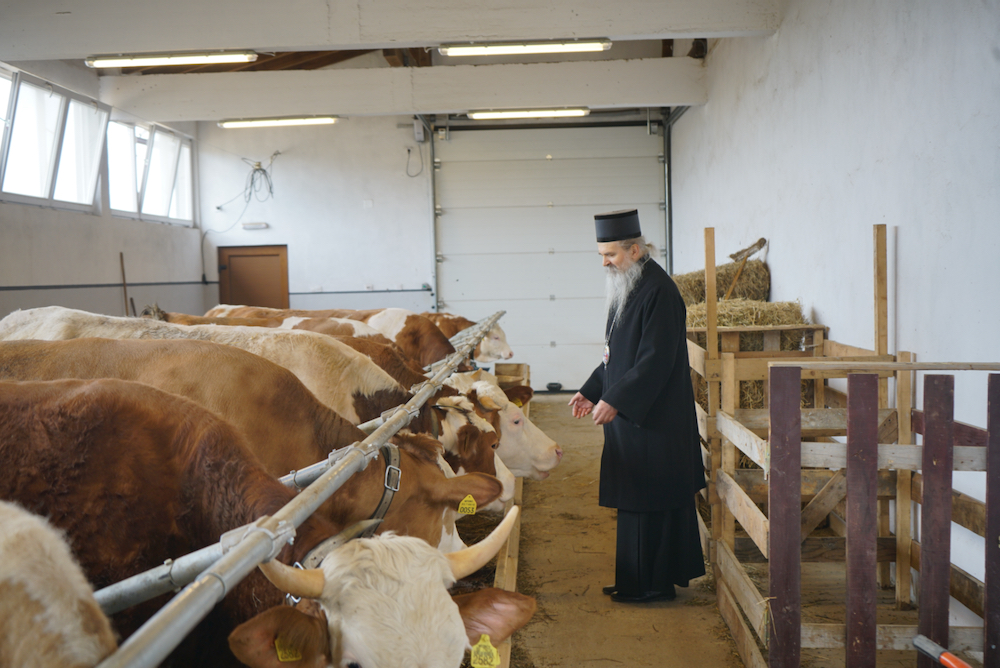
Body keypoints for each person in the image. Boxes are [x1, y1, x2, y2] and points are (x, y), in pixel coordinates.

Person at [568, 208, 706, 604]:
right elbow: (616, 355)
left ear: (635, 248)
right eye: (601, 255)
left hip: (655, 422)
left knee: (652, 502)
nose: (605, 263)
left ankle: (652, 584)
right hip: (635, 420)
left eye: (610, 254)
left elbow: (655, 360)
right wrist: (593, 389)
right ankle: (633, 579)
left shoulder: (659, 291)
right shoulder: (628, 284)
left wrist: (617, 399)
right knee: (635, 500)